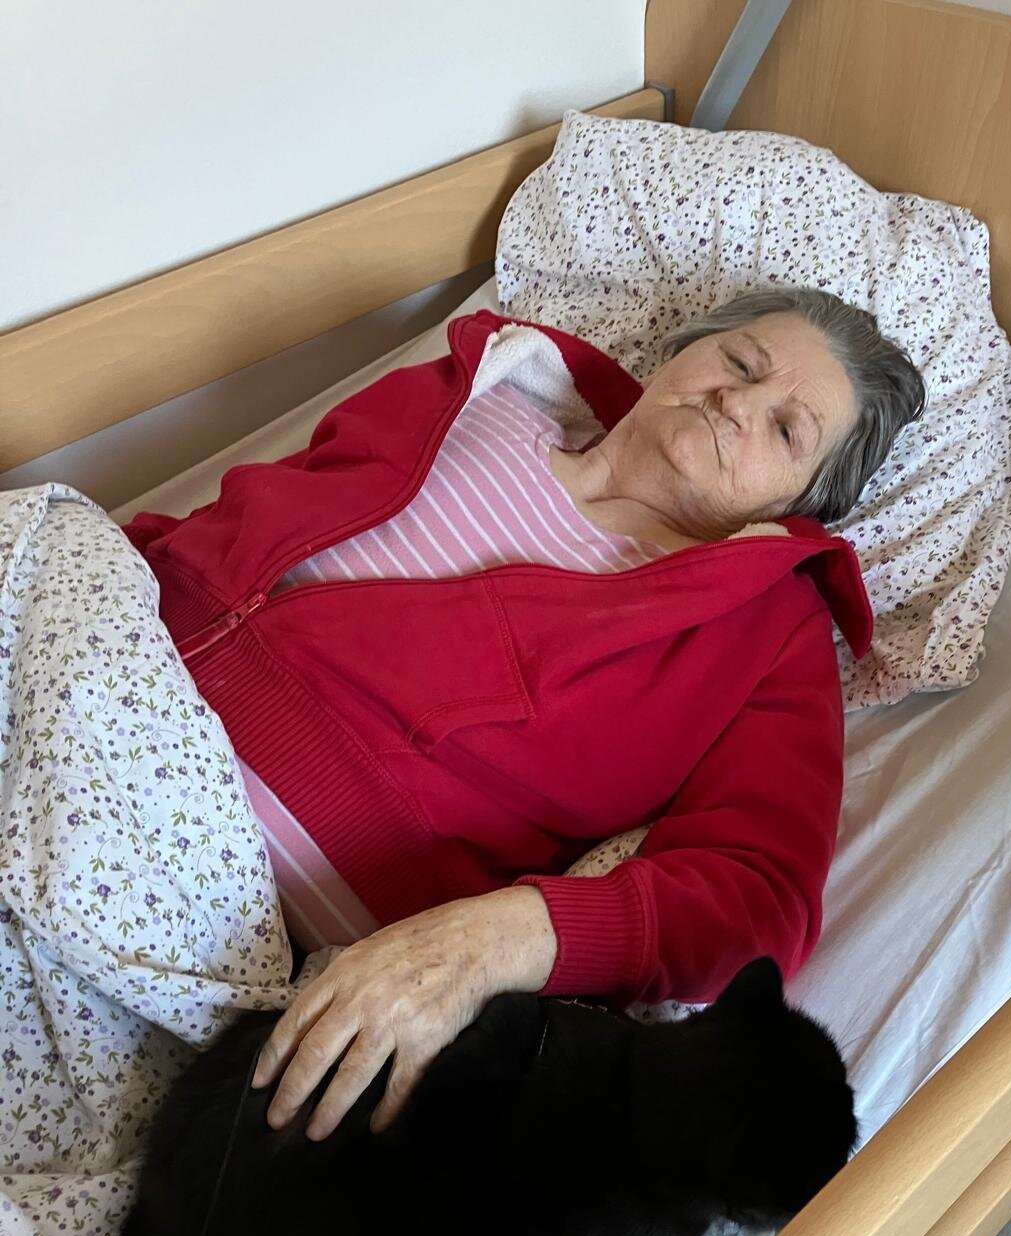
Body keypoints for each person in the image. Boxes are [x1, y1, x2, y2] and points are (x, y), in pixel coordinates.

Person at [124, 287, 925, 1141]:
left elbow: (758, 891)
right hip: (120, 659)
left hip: (235, 900)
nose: (738, 402)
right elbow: (223, 531)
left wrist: (490, 942)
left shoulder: (764, 631)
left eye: (787, 430)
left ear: (799, 500)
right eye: (739, 362)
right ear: (680, 353)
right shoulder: (482, 395)